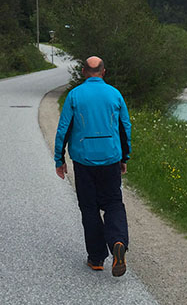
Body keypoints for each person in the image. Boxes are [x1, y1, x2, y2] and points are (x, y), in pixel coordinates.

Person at [54, 55, 131, 276]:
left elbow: (63, 129)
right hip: (110, 158)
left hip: (84, 160)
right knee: (114, 203)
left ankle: (97, 258)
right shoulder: (115, 94)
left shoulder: (75, 95)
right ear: (104, 72)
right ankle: (117, 241)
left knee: (89, 207)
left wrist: (59, 159)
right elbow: (125, 127)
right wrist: (124, 157)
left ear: (83, 72)